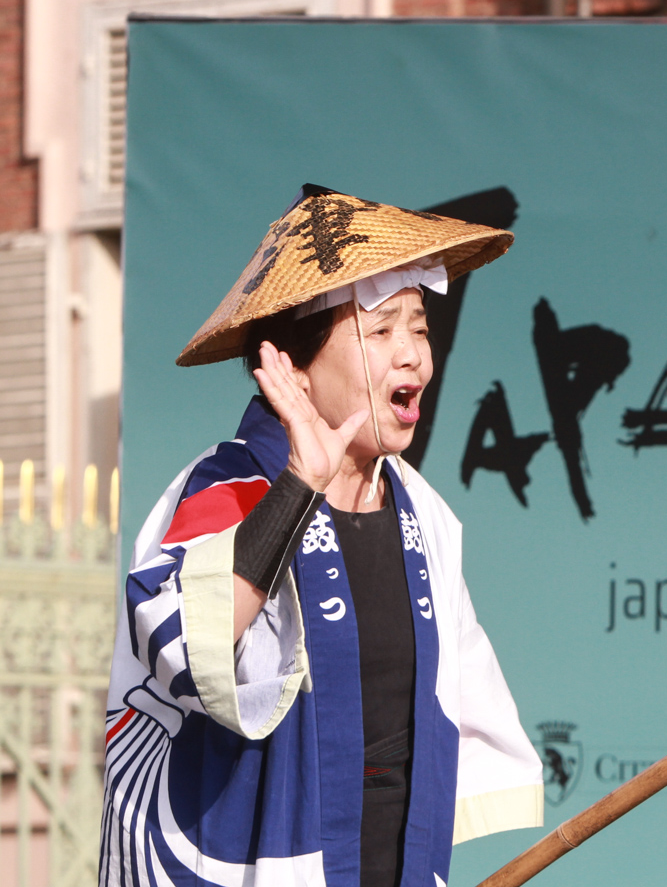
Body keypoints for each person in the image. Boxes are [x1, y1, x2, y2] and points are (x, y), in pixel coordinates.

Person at [101, 186, 543, 887]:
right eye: (381, 331)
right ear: (293, 367)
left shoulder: (422, 511)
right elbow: (179, 640)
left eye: (420, 328)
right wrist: (300, 486)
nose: (414, 357)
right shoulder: (227, 487)